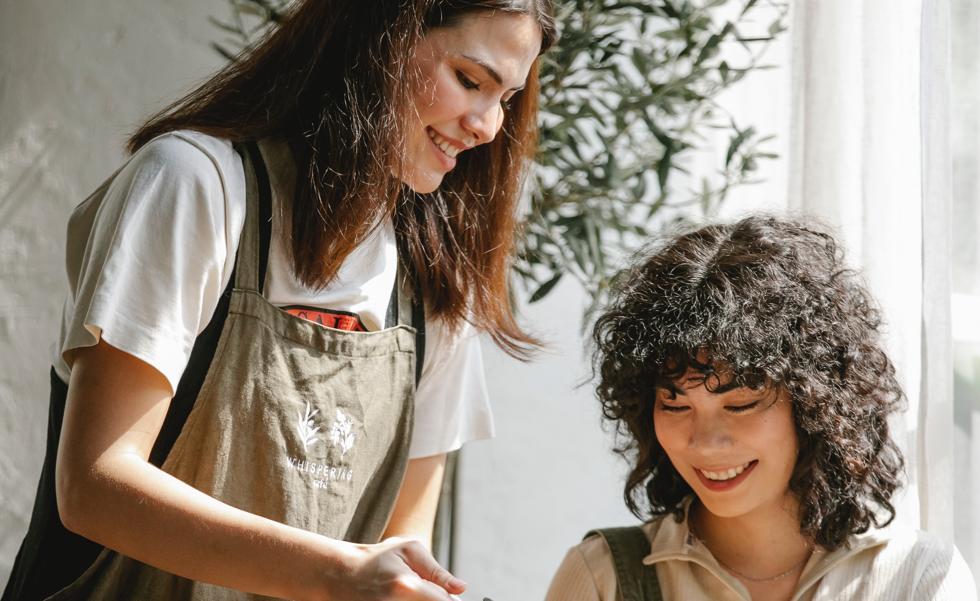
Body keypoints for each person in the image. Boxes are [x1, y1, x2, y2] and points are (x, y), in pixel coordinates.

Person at [3, 1, 556, 600]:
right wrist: (336, 574)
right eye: (470, 81)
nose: (488, 125)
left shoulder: (436, 279)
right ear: (378, 38)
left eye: (505, 100)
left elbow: (403, 550)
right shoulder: (195, 184)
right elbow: (94, 487)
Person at [545, 216, 977, 601]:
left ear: (816, 406)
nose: (705, 443)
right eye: (674, 405)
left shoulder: (920, 579)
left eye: (741, 404)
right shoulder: (603, 577)